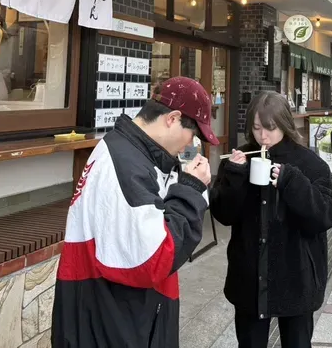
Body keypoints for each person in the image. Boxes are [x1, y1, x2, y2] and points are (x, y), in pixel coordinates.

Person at [52, 77, 215, 348]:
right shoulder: (128, 166)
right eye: (193, 133)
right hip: (114, 321)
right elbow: (154, 259)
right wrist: (191, 190)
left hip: (110, 312)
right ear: (173, 118)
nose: (191, 144)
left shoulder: (127, 149)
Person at [211, 92, 332, 348]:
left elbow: (327, 214)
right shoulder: (240, 158)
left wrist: (291, 183)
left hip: (297, 275)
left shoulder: (309, 163)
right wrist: (235, 177)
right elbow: (224, 215)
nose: (263, 136)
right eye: (257, 128)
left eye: (271, 128)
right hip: (249, 274)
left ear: (285, 124)